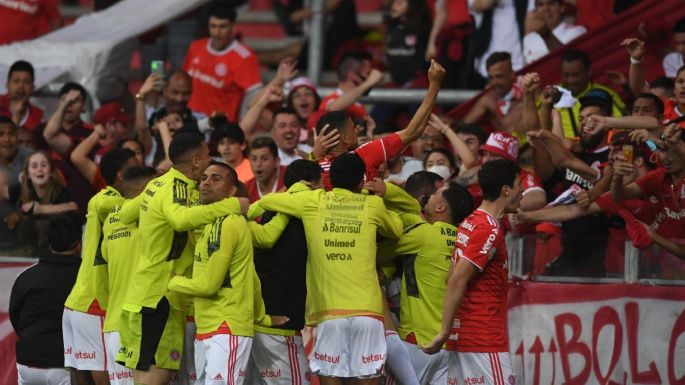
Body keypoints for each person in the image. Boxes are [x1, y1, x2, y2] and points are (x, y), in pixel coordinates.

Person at [256, 153, 404, 384]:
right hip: (368, 311)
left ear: (329, 180)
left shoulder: (314, 201)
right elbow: (396, 230)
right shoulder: (373, 205)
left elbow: (265, 202)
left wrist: (296, 190)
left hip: (329, 312)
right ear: (360, 181)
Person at [116, 133, 247, 385]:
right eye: (208, 156)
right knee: (157, 372)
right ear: (196, 162)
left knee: (145, 373)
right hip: (160, 296)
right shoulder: (175, 187)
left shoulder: (157, 184)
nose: (211, 160)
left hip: (144, 292)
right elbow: (179, 219)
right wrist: (231, 205)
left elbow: (125, 214)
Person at [167, 161, 275, 385]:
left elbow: (208, 285)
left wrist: (172, 282)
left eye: (216, 179)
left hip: (225, 326)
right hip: (210, 325)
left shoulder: (227, 224)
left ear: (232, 191)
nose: (206, 183)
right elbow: (251, 276)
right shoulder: (211, 224)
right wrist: (262, 316)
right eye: (204, 178)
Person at [422, 159, 522, 385]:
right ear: (506, 190)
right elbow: (457, 280)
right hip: (483, 339)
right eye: (519, 186)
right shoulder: (489, 229)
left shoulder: (470, 221)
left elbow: (450, 276)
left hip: (463, 339)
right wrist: (444, 332)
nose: (522, 193)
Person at [378, 182, 473, 385]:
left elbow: (374, 251)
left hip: (417, 343)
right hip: (450, 345)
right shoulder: (465, 239)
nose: (427, 197)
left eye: (434, 195)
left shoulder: (425, 234)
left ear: (441, 207)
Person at [62, 148, 138, 385]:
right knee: (103, 372)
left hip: (81, 299)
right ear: (121, 176)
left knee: (82, 371)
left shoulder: (107, 201)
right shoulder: (106, 200)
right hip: (96, 300)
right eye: (135, 169)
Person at [247, 159, 323, 385]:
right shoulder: (309, 211)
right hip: (283, 324)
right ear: (311, 185)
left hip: (262, 318)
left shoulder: (269, 210)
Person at [315, 59, 446, 190]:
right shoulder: (366, 153)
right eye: (353, 129)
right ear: (345, 138)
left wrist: (314, 157)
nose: (357, 131)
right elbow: (414, 131)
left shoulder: (313, 172)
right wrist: (434, 85)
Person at [10, 211, 82, 385]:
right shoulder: (87, 278)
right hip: (67, 363)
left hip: (28, 362)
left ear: (49, 243)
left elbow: (16, 317)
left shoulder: (26, 276)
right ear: (79, 244)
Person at [100, 165, 157, 385]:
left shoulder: (110, 220)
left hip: (113, 324)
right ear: (147, 188)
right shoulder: (152, 216)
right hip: (138, 323)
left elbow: (105, 255)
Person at [183, 3, 262, 120]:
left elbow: (254, 96)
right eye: (213, 26)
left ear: (232, 27)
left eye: (222, 27)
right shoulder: (195, 47)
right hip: (190, 120)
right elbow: (184, 80)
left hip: (220, 128)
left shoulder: (245, 57)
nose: (216, 32)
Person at [41, 82, 98, 210]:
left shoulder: (92, 134)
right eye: (65, 99)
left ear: (83, 106)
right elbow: (49, 133)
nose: (69, 104)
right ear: (58, 104)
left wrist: (65, 102)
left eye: (75, 101)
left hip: (82, 202)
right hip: (50, 201)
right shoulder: (41, 130)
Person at [556, 49, 626, 140]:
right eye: (566, 75)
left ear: (588, 72)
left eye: (576, 75)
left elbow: (621, 126)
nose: (571, 80)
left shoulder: (605, 94)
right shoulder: (551, 96)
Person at [464, 52, 523, 135]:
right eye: (491, 78)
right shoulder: (488, 99)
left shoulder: (529, 90)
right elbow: (464, 127)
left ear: (512, 74)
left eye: (499, 77)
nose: (494, 82)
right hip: (503, 145)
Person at [319, 53, 384, 121]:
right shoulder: (330, 100)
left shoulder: (357, 104)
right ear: (353, 75)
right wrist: (369, 82)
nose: (371, 78)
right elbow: (333, 109)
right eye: (368, 73)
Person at [522, 0, 586, 64]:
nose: (545, 9)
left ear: (562, 8)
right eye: (540, 5)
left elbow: (569, 62)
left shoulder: (577, 32)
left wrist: (546, 34)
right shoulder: (528, 39)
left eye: (551, 3)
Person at [0, 60, 44, 132]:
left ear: (33, 88)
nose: (21, 86)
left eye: (26, 82)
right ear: (7, 85)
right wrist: (17, 116)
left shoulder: (38, 116)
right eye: (16, 81)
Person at [245, 137, 286, 203]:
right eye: (254, 159)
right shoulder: (246, 189)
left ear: (276, 161)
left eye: (264, 159)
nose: (258, 164)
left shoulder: (291, 178)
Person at [0, 116, 32, 193]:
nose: (7, 139)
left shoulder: (31, 157)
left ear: (17, 137)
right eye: (1, 134)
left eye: (11, 134)